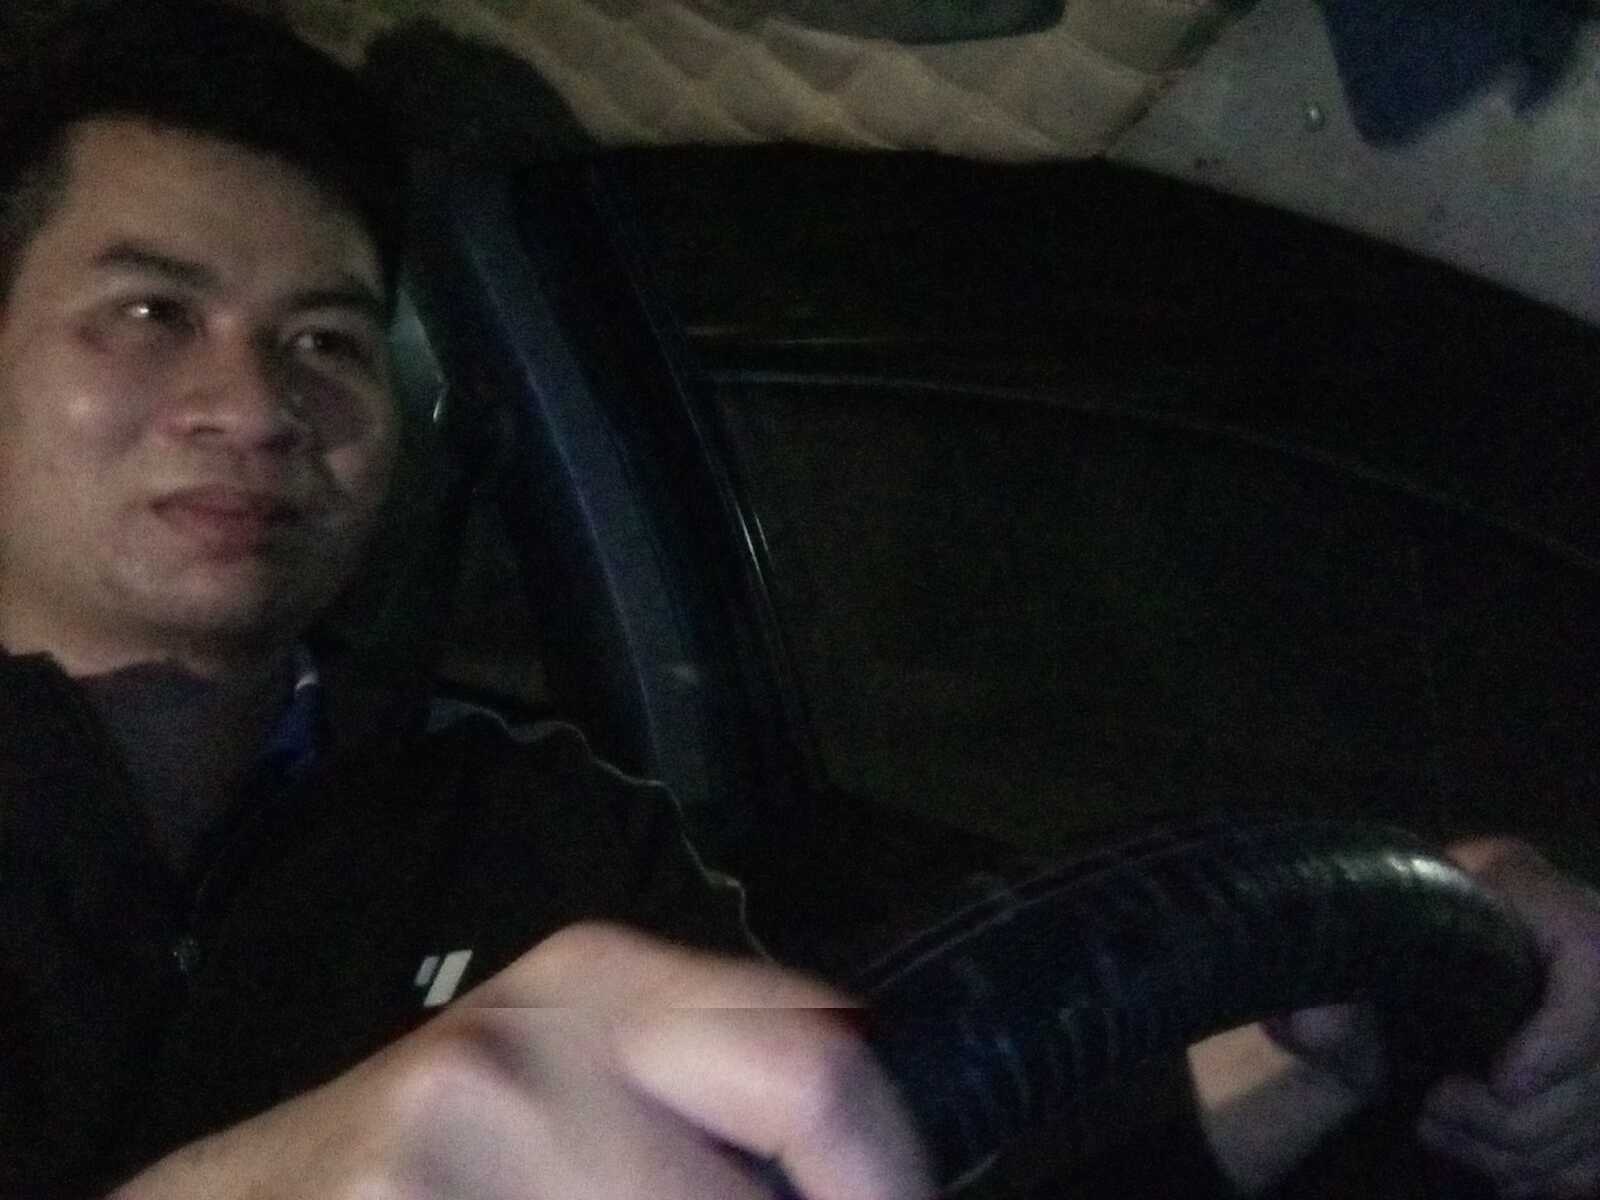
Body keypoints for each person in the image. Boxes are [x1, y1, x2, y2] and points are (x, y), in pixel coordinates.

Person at [0, 2, 1595, 1198]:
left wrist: (1355, 964)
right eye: (149, 313)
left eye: (326, 340)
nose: (257, 407)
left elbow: (902, 1106)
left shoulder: (535, 831)